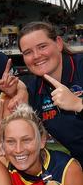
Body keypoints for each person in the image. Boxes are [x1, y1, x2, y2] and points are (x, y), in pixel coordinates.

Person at [18, 21, 83, 164]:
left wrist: (78, 104)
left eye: (42, 47)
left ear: (58, 43)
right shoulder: (33, 91)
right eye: (28, 52)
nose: (36, 56)